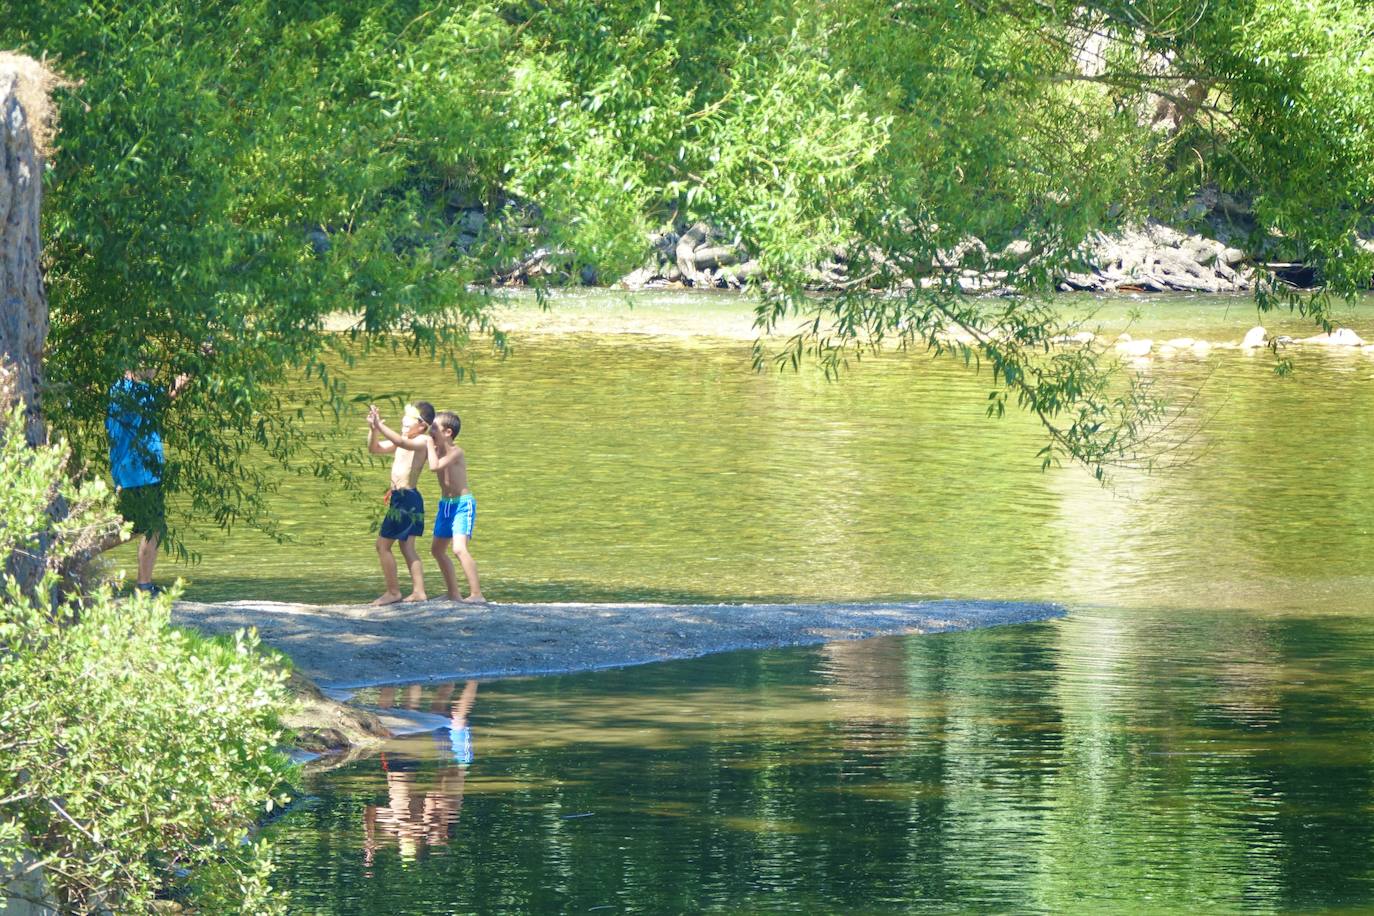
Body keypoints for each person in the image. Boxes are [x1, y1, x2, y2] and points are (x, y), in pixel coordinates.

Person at [105, 366, 188, 594]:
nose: (154, 369)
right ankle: (143, 586)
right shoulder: (132, 392)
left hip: (135, 471)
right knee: (152, 527)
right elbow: (168, 394)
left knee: (134, 525)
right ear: (133, 368)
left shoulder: (122, 390)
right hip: (140, 471)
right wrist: (190, 369)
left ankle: (80, 551)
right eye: (149, 364)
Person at [367, 402, 435, 605]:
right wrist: (373, 430)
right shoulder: (403, 439)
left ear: (422, 425)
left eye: (410, 419)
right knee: (406, 548)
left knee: (382, 545)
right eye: (404, 418)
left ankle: (393, 592)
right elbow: (375, 448)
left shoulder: (423, 441)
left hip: (407, 499)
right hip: (401, 499)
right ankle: (419, 592)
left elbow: (401, 442)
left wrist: (380, 425)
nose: (404, 422)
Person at [426, 410, 484, 603]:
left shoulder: (456, 451)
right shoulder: (434, 448)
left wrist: (428, 446)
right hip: (445, 505)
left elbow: (434, 467)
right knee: (437, 550)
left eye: (434, 428)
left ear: (448, 432)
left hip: (462, 504)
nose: (429, 431)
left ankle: (477, 594)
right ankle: (453, 593)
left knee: (459, 549)